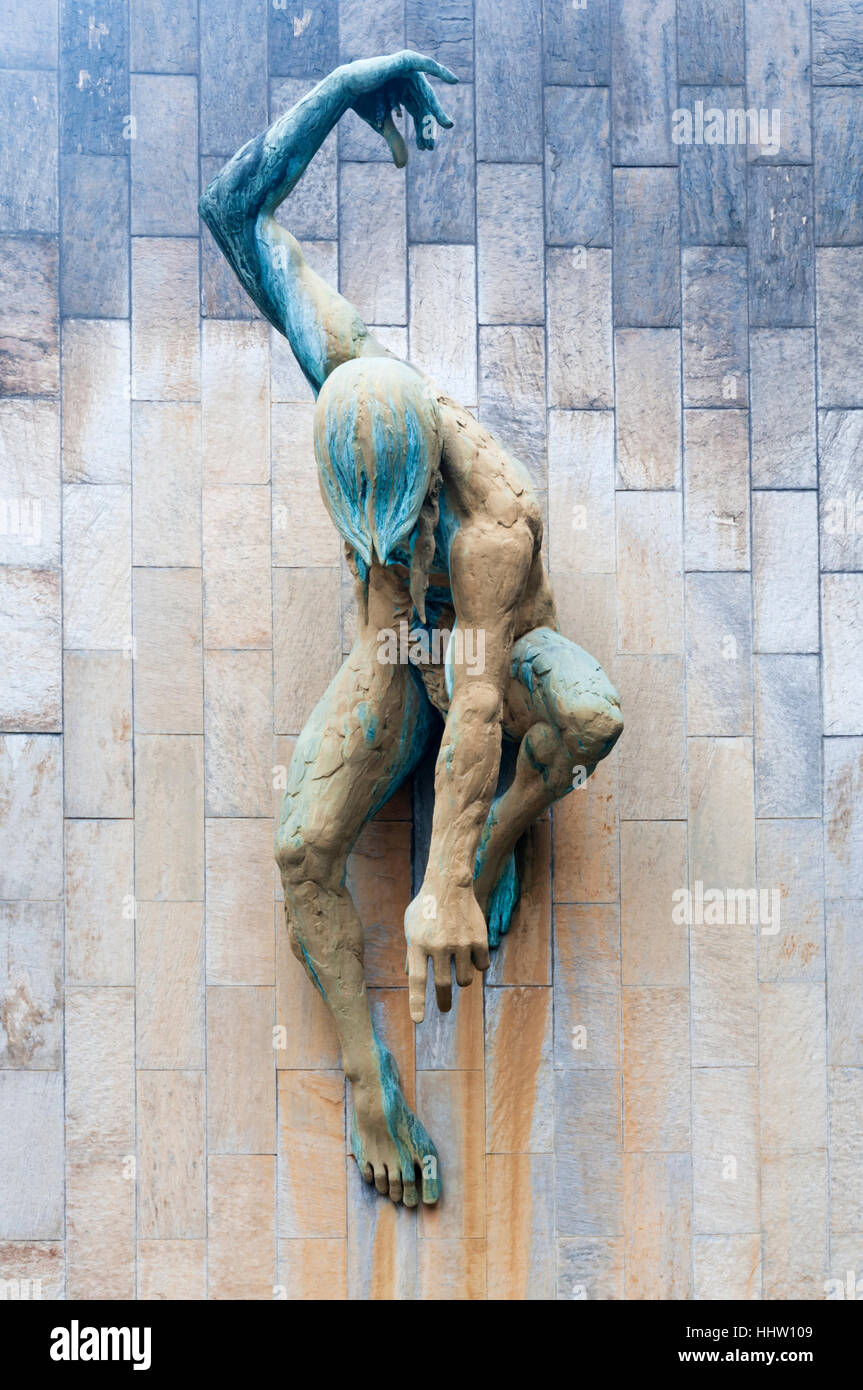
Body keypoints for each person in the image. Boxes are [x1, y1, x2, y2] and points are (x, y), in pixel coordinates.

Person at [200, 51, 622, 1207]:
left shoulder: (493, 520)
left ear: (433, 482)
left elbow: (479, 697)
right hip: (398, 655)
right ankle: (366, 1074)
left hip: (494, 663)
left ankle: (492, 843)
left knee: (588, 716)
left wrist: (444, 880)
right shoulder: (342, 364)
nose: (392, 553)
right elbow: (231, 209)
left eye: (407, 531)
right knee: (300, 850)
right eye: (368, 540)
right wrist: (340, 92)